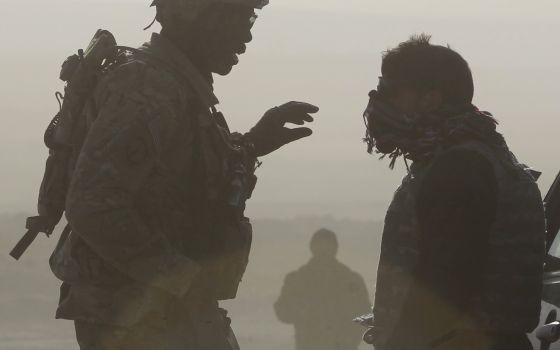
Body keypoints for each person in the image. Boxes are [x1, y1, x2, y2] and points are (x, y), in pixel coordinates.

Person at [48, 0, 319, 349]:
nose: (247, 33)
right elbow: (93, 205)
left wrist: (250, 145)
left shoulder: (174, 86)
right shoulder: (149, 89)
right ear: (197, 16)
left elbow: (173, 178)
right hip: (137, 315)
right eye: (238, 16)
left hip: (162, 309)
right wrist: (183, 280)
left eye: (251, 17)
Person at [362, 34, 546, 350]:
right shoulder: (471, 154)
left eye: (391, 91)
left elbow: (443, 287)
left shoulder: (460, 167)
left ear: (430, 100)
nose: (378, 100)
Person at [274, 229, 370, 350]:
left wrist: (350, 340)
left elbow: (364, 315)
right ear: (312, 248)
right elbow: (282, 311)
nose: (323, 250)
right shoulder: (297, 279)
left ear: (335, 248)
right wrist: (300, 311)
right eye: (320, 246)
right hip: (309, 345)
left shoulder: (351, 280)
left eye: (327, 246)